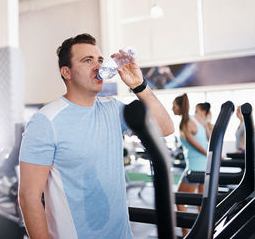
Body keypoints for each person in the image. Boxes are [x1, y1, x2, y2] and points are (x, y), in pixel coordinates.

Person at [18, 33, 174, 238]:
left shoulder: (112, 109)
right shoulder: (45, 121)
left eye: (100, 60)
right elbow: (28, 197)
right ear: (67, 72)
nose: (98, 67)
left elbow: (165, 127)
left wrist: (139, 85)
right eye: (87, 60)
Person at [172, 93, 208, 237]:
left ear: (180, 108)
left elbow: (198, 145)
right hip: (204, 167)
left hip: (195, 169)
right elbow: (207, 136)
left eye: (174, 106)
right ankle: (203, 233)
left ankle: (187, 234)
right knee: (201, 204)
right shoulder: (195, 120)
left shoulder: (186, 123)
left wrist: (210, 154)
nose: (172, 109)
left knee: (179, 199)